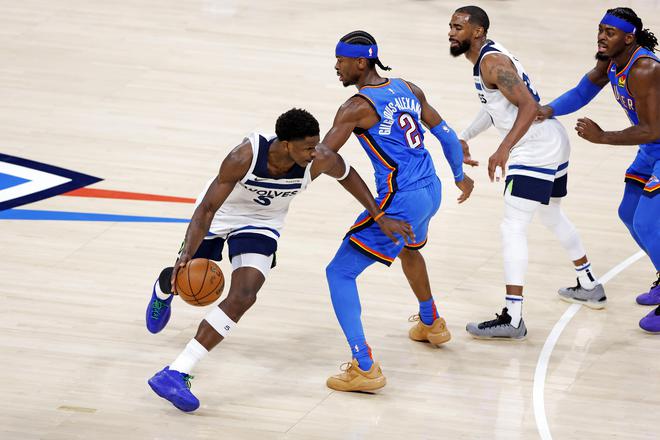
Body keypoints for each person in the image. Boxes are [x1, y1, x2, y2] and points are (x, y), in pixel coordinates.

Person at [145, 108, 413, 412]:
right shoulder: (244, 157)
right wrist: (186, 253)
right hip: (220, 215)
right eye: (307, 147)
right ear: (286, 144)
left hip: (262, 222)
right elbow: (207, 209)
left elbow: (347, 175)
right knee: (185, 276)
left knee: (245, 295)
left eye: (315, 145)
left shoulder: (319, 158)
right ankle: (163, 290)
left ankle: (176, 372)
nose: (314, 153)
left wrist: (379, 216)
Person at [321, 30, 474, 392]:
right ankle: (431, 322)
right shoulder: (408, 88)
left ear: (361, 63)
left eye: (341, 60)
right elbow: (447, 135)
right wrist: (459, 176)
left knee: (339, 272)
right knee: (409, 249)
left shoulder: (356, 107)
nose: (336, 67)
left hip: (401, 198)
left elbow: (324, 155)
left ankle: (364, 366)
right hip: (431, 190)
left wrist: (289, 183)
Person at [448, 6, 605, 340]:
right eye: (450, 26)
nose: (451, 32)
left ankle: (513, 318)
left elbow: (529, 106)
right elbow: (494, 108)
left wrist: (503, 148)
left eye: (458, 27)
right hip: (549, 140)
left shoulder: (492, 62)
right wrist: (465, 136)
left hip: (534, 147)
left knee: (512, 227)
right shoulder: (486, 60)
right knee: (550, 214)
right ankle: (589, 282)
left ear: (478, 32)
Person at [537, 7, 660, 333]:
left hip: (656, 140)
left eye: (610, 32)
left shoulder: (645, 69)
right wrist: (546, 110)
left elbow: (652, 129)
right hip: (652, 149)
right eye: (601, 30)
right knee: (628, 212)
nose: (602, 37)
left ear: (629, 38)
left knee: (647, 222)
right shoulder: (611, 62)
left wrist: (602, 136)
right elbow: (582, 91)